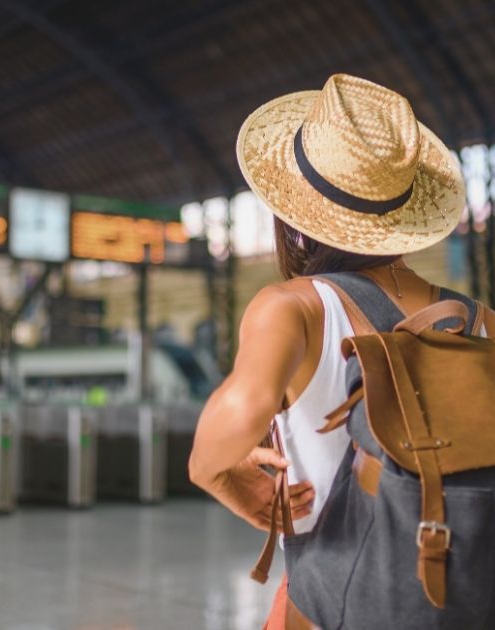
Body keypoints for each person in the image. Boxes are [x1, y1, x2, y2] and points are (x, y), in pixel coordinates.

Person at [189, 74, 472, 629]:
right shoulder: (482, 321)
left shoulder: (295, 306)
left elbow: (241, 413)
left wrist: (215, 473)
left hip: (337, 599)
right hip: (461, 599)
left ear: (293, 210)